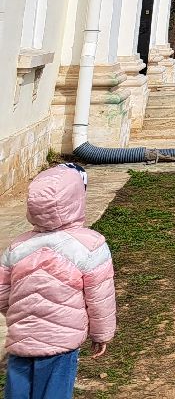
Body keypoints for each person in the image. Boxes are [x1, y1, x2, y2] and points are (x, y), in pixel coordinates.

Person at [0, 164, 115, 399]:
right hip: (61, 344)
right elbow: (99, 298)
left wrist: (23, 316)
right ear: (77, 200)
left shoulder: (16, 247)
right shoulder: (91, 246)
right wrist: (101, 334)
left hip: (22, 340)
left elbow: (2, 295)